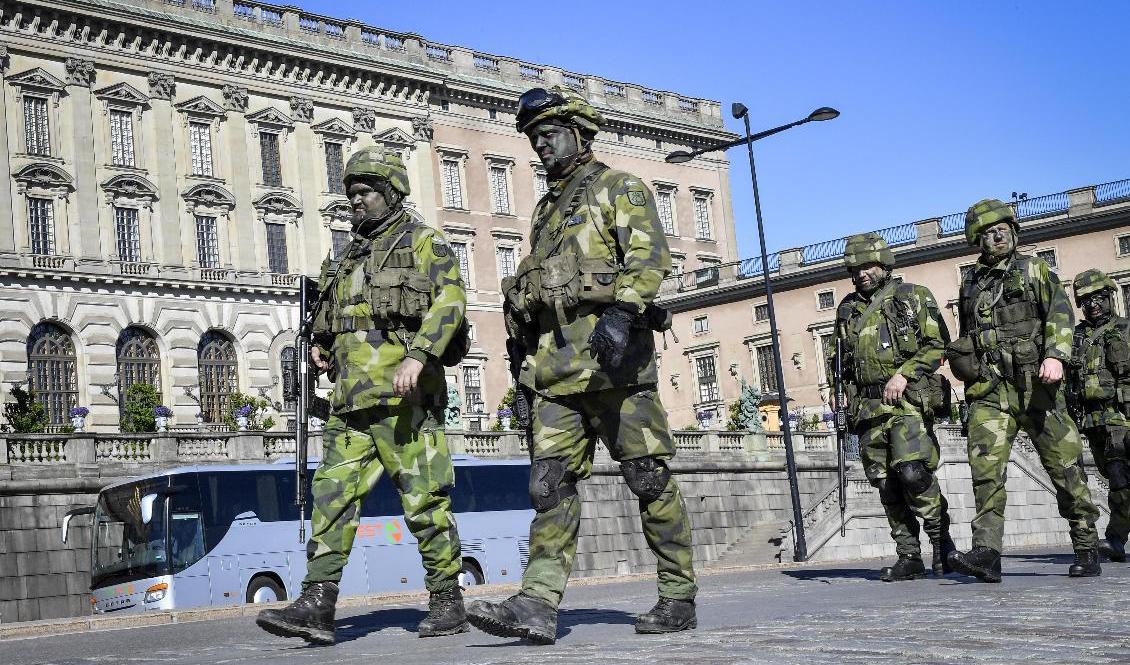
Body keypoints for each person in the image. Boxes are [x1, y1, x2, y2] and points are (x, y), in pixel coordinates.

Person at [466, 86, 697, 645]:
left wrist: (622, 312)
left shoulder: (619, 188)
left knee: (648, 478)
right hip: (554, 374)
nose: (541, 145)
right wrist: (522, 373)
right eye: (534, 138)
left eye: (551, 134)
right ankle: (537, 603)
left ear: (580, 133)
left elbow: (649, 258)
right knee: (548, 486)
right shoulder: (546, 211)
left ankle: (678, 595)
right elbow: (536, 299)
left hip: (616, 369)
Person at [256, 146, 469, 643]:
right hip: (350, 403)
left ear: (391, 193)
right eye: (351, 192)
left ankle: (446, 598)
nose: (355, 200)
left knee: (424, 502)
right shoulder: (347, 256)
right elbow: (333, 319)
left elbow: (451, 300)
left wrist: (419, 355)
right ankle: (318, 603)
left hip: (405, 403)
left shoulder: (423, 243)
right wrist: (319, 346)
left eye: (366, 192)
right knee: (330, 497)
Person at [947, 198, 1100, 582]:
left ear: (1013, 231)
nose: (995, 235)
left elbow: (1061, 314)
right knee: (985, 472)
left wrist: (1057, 355)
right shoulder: (971, 283)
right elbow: (970, 333)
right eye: (986, 232)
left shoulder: (1034, 268)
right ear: (976, 239)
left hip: (1038, 386)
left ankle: (1086, 545)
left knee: (1065, 470)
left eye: (1001, 229)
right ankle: (987, 552)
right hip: (989, 391)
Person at [831, 232, 955, 580]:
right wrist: (836, 390)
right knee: (885, 484)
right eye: (855, 269)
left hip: (906, 403)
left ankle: (941, 542)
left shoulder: (912, 296)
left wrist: (904, 374)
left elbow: (937, 345)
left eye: (868, 266)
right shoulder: (847, 310)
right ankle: (909, 555)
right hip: (868, 408)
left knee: (912, 472)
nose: (861, 274)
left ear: (884, 264)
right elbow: (838, 360)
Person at [1067, 269, 1130, 563]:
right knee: (1112, 476)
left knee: (1119, 479)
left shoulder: (1126, 329)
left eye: (1098, 298)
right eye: (1086, 300)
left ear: (1109, 297)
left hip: (1121, 418)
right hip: (1092, 422)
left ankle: (1115, 539)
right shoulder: (1077, 337)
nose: (1092, 304)